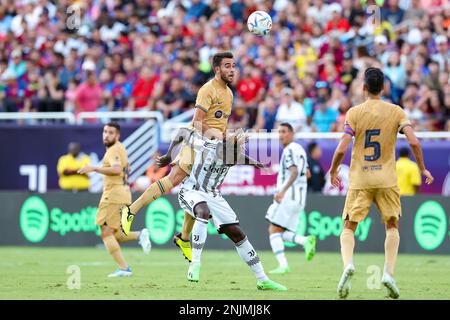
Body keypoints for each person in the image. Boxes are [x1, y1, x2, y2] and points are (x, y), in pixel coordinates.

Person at [120, 52, 236, 263]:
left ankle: (183, 238)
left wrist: (222, 141)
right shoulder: (207, 90)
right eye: (227, 65)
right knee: (174, 180)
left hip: (211, 149)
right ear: (217, 69)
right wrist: (221, 137)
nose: (232, 70)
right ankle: (131, 210)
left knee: (197, 192)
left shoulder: (228, 94)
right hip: (199, 144)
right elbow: (197, 123)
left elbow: (220, 125)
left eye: (234, 66)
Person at [329, 68, 434, 299]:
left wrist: (333, 170)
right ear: (383, 88)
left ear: (363, 88)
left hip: (361, 179)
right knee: (392, 226)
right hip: (386, 179)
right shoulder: (396, 111)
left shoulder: (354, 113)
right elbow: (414, 142)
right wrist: (422, 167)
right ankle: (388, 273)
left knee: (349, 227)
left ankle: (348, 265)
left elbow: (341, 148)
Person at [175, 126, 286, 291]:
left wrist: (259, 164)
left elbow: (244, 158)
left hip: (214, 195)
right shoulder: (207, 146)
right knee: (203, 212)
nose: (237, 157)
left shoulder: (233, 154)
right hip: (191, 191)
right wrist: (168, 154)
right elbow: (183, 132)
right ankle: (195, 264)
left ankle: (262, 279)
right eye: (238, 150)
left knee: (237, 233)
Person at [78, 122, 151, 277]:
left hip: (113, 194)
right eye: (105, 132)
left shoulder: (113, 150)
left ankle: (124, 269)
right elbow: (127, 168)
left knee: (105, 232)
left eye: (111, 132)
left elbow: (117, 169)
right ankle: (140, 235)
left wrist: (95, 168)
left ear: (117, 135)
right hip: (123, 193)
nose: (106, 135)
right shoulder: (121, 148)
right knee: (114, 233)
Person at [265, 123, 316, 275]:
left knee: (273, 230)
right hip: (300, 198)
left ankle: (283, 265)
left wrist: (283, 191)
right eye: (279, 132)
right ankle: (304, 241)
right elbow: (307, 174)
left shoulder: (289, 150)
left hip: (288, 197)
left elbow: (294, 172)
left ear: (292, 134)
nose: (281, 135)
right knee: (282, 233)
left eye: (284, 132)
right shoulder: (300, 150)